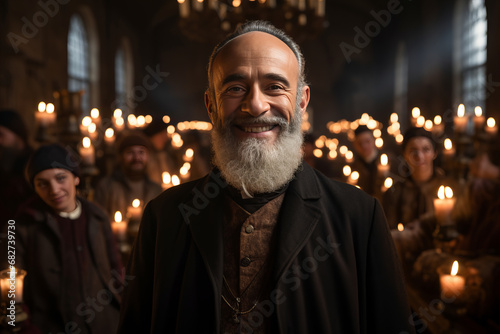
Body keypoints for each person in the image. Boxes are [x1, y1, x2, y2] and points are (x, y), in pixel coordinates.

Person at [118, 21, 413, 334]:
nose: (256, 105)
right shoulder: (164, 218)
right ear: (211, 106)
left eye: (275, 87)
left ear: (301, 101)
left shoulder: (359, 218)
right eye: (235, 88)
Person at [10, 144, 123, 333]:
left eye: (61, 178)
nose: (54, 190)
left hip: (105, 324)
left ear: (76, 178)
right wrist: (26, 328)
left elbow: (116, 270)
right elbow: (10, 286)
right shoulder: (22, 226)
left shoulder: (97, 217)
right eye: (42, 183)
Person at [382, 127, 448, 230]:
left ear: (434, 153)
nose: (420, 156)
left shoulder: (448, 188)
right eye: (413, 151)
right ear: (405, 154)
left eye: (426, 149)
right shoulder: (394, 192)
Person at [93, 131, 162, 222]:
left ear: (148, 156)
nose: (136, 158)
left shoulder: (156, 190)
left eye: (141, 152)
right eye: (130, 152)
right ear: (121, 156)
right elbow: (97, 221)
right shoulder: (106, 187)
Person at [0, 109, 33, 229]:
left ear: (16, 132)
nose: (0, 141)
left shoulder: (33, 160)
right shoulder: (4, 160)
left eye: (1, 134)